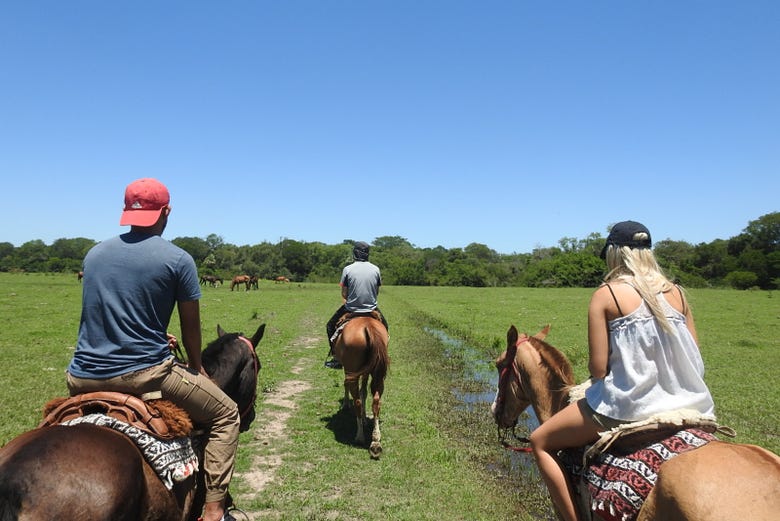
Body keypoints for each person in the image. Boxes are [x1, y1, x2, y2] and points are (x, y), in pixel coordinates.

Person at [66, 178, 239, 521]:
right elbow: (192, 327)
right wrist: (195, 365)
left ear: (126, 212)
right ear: (166, 212)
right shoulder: (178, 259)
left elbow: (108, 314)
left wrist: (156, 336)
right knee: (226, 415)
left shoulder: (95, 253)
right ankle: (215, 509)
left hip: (81, 377)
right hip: (144, 375)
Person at [528, 220, 715, 521]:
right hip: (690, 403)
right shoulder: (678, 293)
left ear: (614, 253)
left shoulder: (607, 293)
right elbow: (695, 356)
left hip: (628, 407)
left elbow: (598, 369)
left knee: (540, 441)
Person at [325, 241, 389, 368]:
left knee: (330, 325)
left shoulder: (347, 269)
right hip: (371, 308)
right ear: (367, 254)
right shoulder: (376, 269)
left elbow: (344, 293)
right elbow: (376, 292)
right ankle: (382, 354)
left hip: (351, 308)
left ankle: (336, 357)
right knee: (385, 327)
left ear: (355, 253)